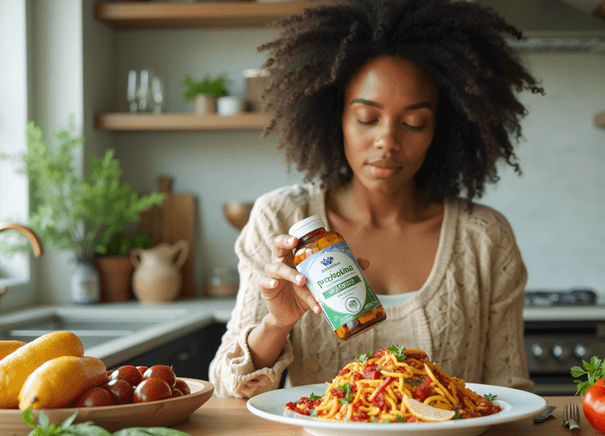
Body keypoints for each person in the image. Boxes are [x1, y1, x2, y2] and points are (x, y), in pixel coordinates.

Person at [209, 0, 543, 399]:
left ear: (444, 128)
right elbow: (225, 389)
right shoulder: (283, 218)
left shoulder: (484, 238)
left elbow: (510, 394)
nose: (387, 141)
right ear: (336, 117)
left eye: (414, 123)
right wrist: (276, 325)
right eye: (367, 118)